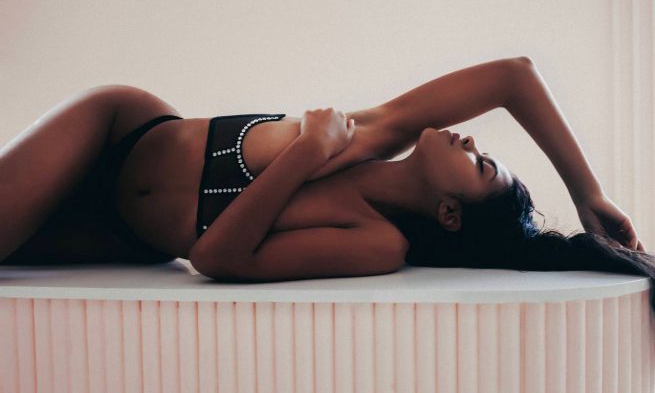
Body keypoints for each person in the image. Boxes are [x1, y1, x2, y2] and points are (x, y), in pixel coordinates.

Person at [1, 56, 652, 313]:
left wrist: (308, 150)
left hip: (128, 237)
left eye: (481, 165)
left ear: (449, 215)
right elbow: (515, 76)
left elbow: (216, 257)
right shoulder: (379, 131)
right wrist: (587, 196)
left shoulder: (375, 243)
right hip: (117, 131)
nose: (471, 141)